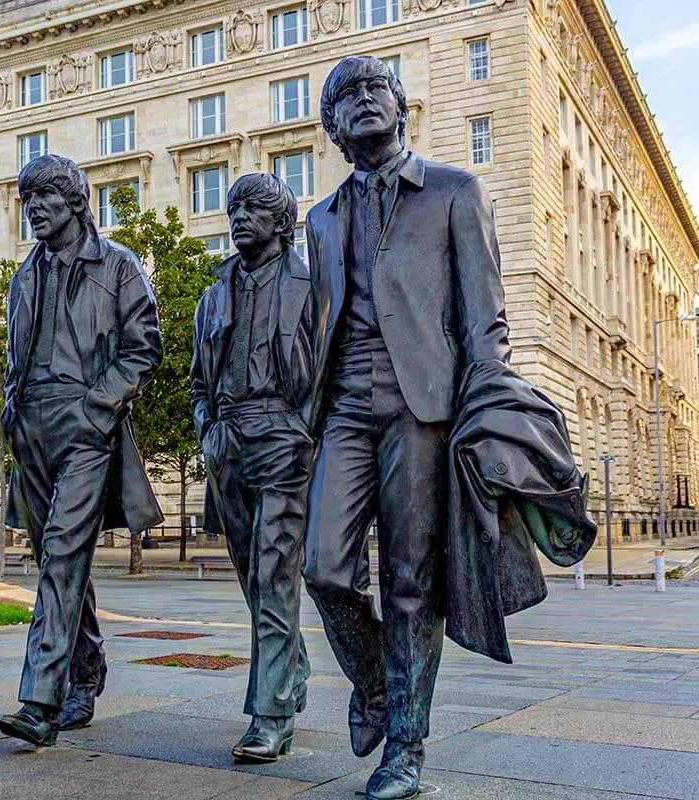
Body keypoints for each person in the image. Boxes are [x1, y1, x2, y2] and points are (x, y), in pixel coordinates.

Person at [302, 56, 510, 799]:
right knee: (323, 567)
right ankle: (380, 688)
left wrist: (487, 405)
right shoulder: (318, 218)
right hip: (344, 409)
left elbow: (485, 315)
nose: (361, 101)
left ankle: (407, 750)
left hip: (424, 403)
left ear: (400, 108)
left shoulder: (455, 191)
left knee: (410, 582)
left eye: (373, 90)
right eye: (343, 97)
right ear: (330, 126)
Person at [0, 154, 163, 747]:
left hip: (86, 422)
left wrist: (101, 405)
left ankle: (40, 700)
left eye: (44, 196)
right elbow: (15, 356)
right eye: (27, 199)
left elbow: (145, 346)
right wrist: (11, 411)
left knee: (65, 554)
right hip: (31, 428)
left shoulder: (117, 265)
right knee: (54, 559)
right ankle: (86, 669)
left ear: (75, 201)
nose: (34, 207)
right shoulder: (24, 274)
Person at [190, 173, 314, 763]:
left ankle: (270, 715)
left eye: (256, 208)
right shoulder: (214, 294)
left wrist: (304, 429)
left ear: (283, 223)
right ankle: (290, 668)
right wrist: (206, 429)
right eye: (234, 207)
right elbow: (198, 381)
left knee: (273, 574)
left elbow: (332, 369)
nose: (238, 216)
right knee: (251, 576)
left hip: (285, 438)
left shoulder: (311, 286)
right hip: (228, 441)